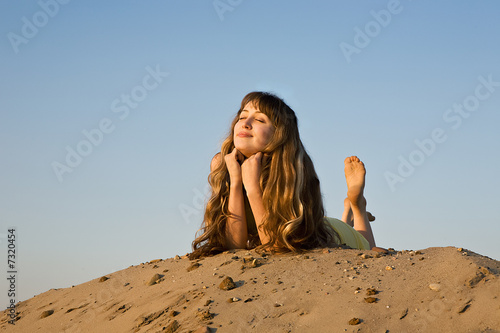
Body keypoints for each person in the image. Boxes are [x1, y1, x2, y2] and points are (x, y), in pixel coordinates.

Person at [190, 92, 376, 259]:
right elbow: (235, 246)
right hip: (317, 227)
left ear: (279, 135)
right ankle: (349, 212)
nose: (245, 124)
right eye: (242, 116)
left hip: (326, 232)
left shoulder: (288, 170)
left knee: (369, 248)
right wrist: (237, 182)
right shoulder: (223, 164)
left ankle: (357, 206)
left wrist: (253, 187)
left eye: (260, 120)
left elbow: (276, 247)